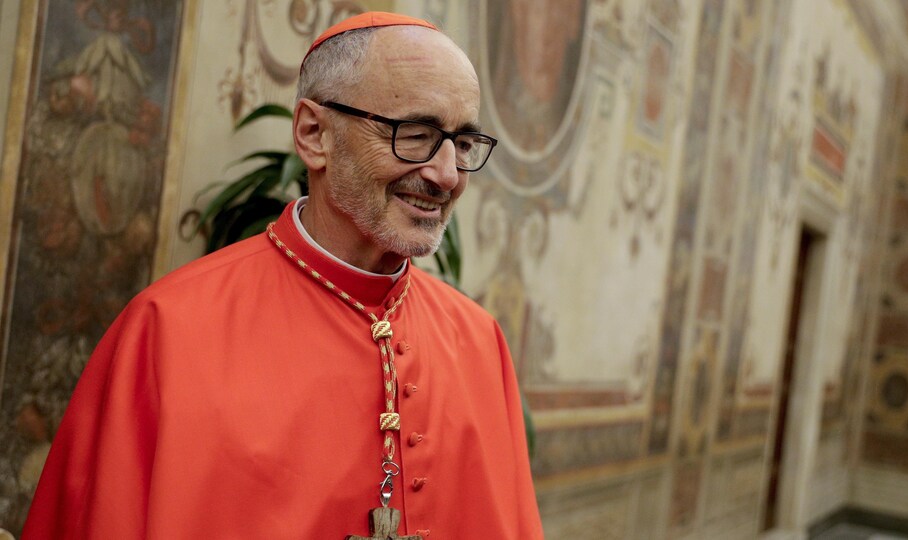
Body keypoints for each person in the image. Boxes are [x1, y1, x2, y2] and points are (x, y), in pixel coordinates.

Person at [23, 12, 543, 539]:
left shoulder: (481, 343)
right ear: (314, 134)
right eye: (415, 134)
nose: (447, 175)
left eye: (463, 143)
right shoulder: (168, 330)